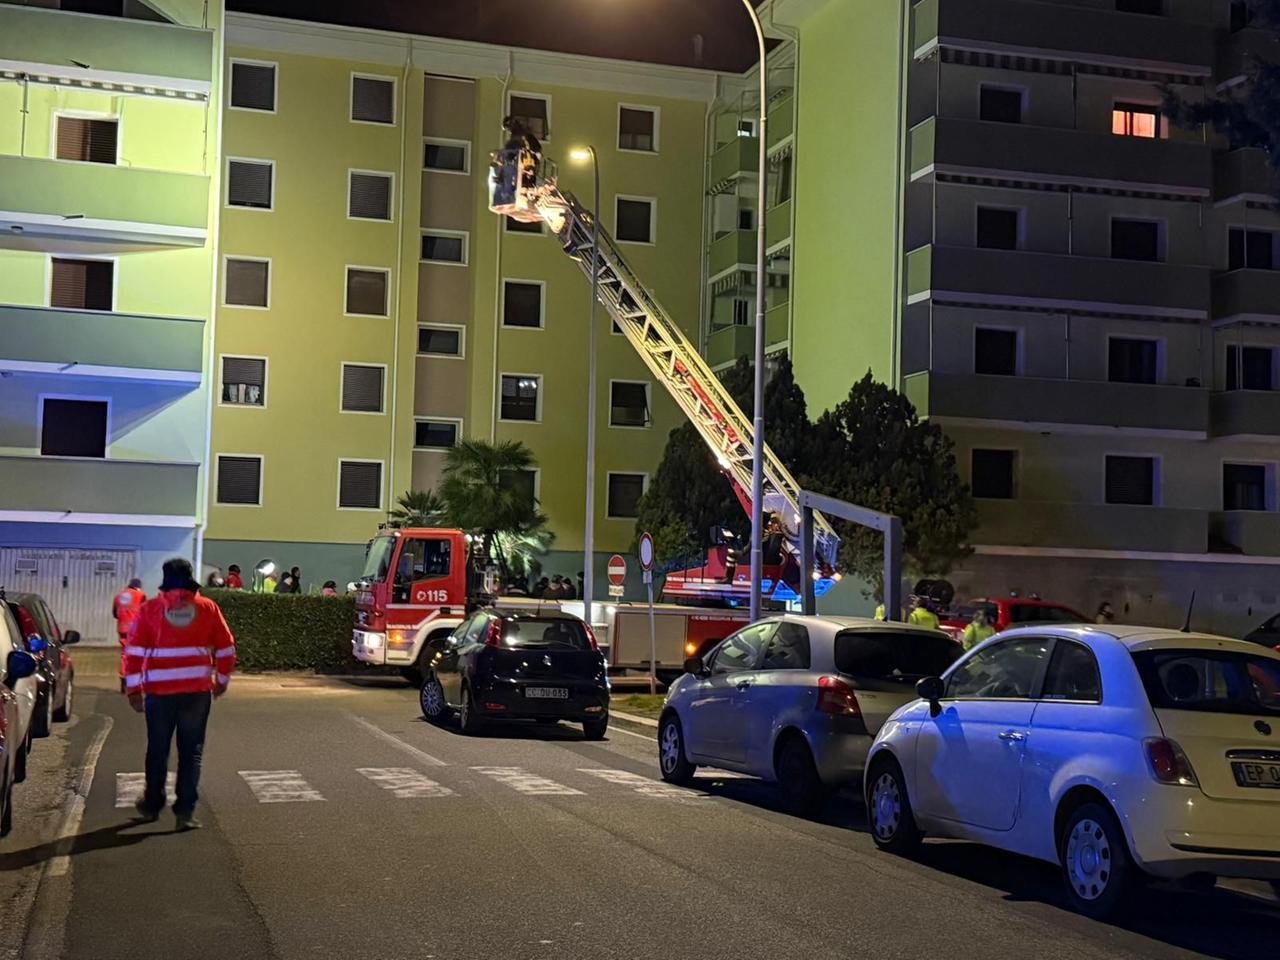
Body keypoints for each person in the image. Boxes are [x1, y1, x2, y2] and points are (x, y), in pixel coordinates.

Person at [124, 558, 235, 830]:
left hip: (159, 695)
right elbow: (226, 648)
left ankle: (152, 805)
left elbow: (134, 652)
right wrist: (220, 681)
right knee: (191, 752)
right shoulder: (207, 608)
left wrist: (134, 690)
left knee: (157, 750)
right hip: (196, 694)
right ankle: (185, 812)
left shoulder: (150, 610)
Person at [112, 578, 146, 692]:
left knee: (124, 654)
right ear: (137, 587)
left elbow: (115, 613)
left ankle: (123, 681)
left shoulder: (119, 596)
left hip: (122, 628)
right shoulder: (140, 595)